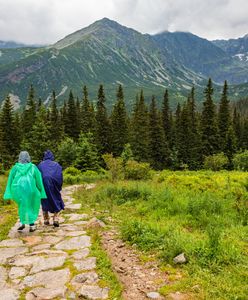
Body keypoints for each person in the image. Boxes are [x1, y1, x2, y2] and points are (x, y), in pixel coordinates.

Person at [4, 151, 47, 232]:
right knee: (31, 206)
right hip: (31, 190)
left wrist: (9, 191)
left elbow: (10, 180)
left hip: (17, 190)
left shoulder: (15, 168)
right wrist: (41, 190)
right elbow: (38, 180)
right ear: (28, 157)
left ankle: (21, 223)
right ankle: (31, 225)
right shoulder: (33, 167)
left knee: (22, 205)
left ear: (19, 158)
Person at [38, 150, 64, 227]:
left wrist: (38, 187)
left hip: (43, 185)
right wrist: (59, 186)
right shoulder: (56, 165)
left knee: (44, 200)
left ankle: (46, 219)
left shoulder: (40, 165)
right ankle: (56, 218)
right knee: (56, 199)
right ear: (52, 156)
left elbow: (37, 176)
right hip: (54, 185)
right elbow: (60, 176)